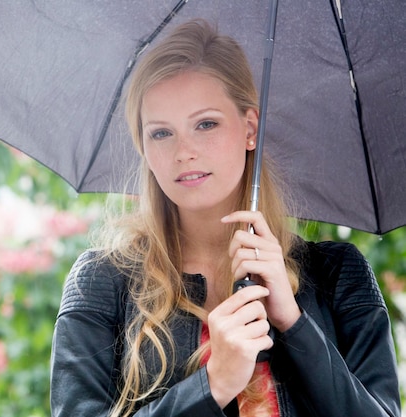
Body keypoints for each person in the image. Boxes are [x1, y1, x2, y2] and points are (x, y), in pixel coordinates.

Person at [49, 19, 401, 417]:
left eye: (206, 124)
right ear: (142, 146)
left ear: (250, 128)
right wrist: (212, 384)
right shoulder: (102, 282)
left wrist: (294, 321)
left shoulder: (339, 276)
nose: (184, 151)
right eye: (161, 133)